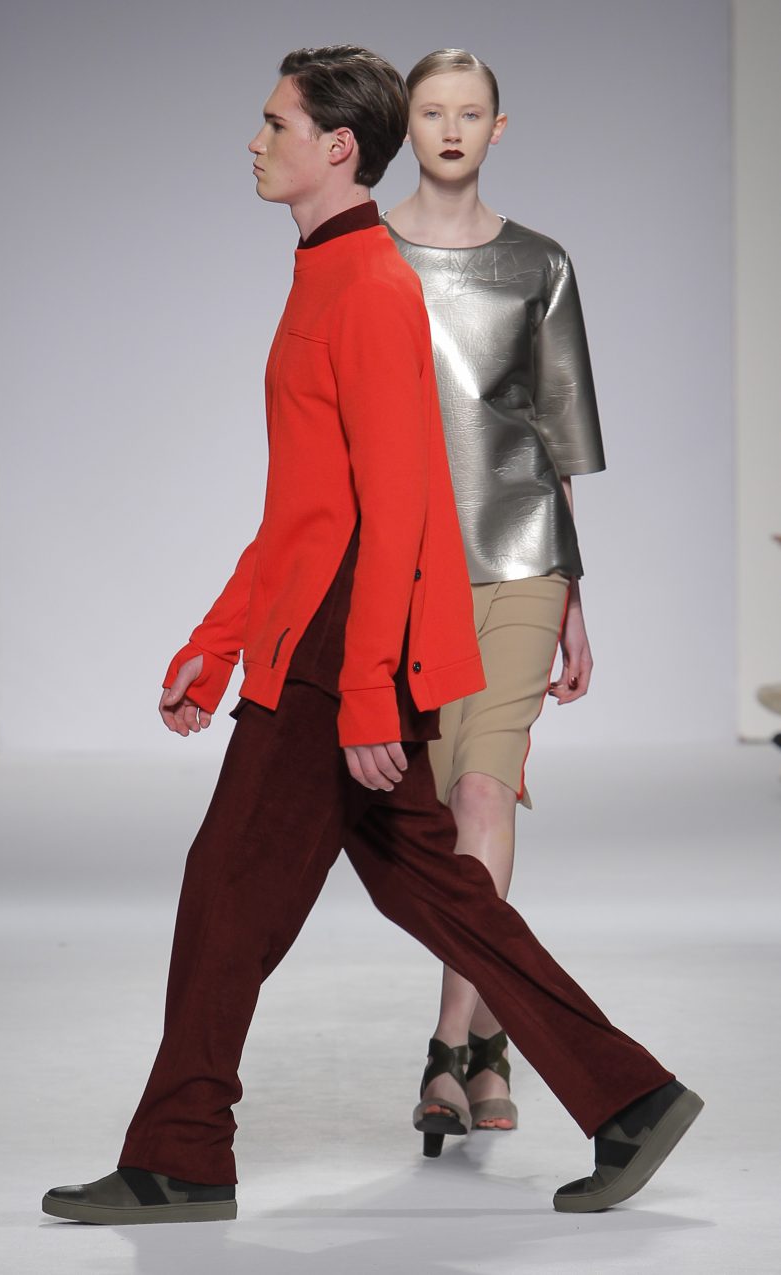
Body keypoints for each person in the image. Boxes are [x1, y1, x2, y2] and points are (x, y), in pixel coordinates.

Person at [42, 45, 701, 1227]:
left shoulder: (371, 290)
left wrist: (364, 696)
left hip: (344, 643)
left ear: (336, 147)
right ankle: (631, 1097)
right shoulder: (326, 274)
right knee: (436, 892)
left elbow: (398, 513)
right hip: (321, 629)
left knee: (226, 889)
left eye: (274, 123)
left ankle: (183, 1153)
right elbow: (301, 511)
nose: (255, 142)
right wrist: (215, 642)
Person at [383, 49, 605, 1150]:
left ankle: (447, 1043)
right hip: (407, 573)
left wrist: (575, 597)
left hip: (522, 561)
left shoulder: (539, 264)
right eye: (433, 111)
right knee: (433, 820)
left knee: (484, 795)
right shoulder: (367, 256)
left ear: (498, 129)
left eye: (470, 113)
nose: (451, 129)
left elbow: (555, 444)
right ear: (406, 124)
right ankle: (488, 1041)